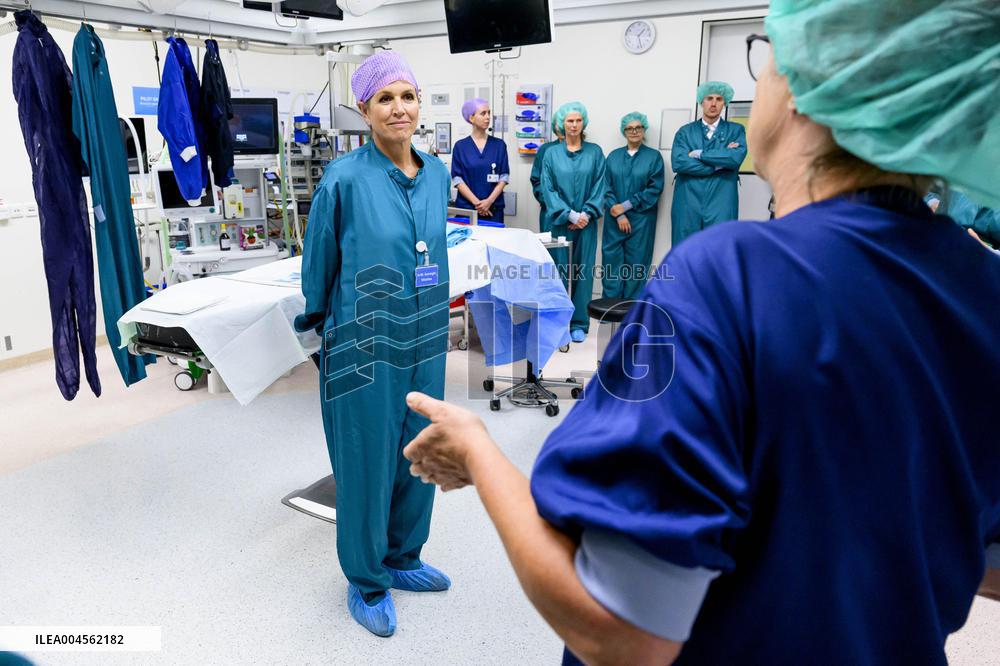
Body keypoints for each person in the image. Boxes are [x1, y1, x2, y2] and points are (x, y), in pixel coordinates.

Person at [401, 1, 1000, 663]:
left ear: (807, 85)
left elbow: (620, 634)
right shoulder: (984, 289)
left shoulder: (730, 279)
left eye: (767, 56)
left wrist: (479, 455)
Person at [296, 51, 452, 638]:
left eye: (408, 96)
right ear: (364, 109)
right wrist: (318, 323)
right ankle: (365, 579)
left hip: (426, 334)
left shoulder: (436, 174)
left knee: (421, 448)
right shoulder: (344, 178)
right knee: (365, 458)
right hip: (363, 339)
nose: (399, 108)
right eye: (385, 98)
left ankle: (403, 556)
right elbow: (320, 265)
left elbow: (434, 254)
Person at [540, 102, 607, 343]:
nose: (574, 125)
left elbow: (601, 184)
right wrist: (569, 214)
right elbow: (547, 188)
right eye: (570, 120)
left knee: (582, 271)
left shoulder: (595, 152)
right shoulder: (551, 154)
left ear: (584, 123)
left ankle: (579, 323)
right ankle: (558, 323)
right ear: (562, 123)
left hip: (586, 225)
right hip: (560, 223)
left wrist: (586, 214)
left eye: (578, 120)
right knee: (558, 272)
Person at [670, 81, 747, 246]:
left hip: (722, 198)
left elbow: (735, 158)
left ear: (724, 103)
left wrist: (699, 154)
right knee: (685, 247)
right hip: (688, 199)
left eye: (719, 99)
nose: (713, 103)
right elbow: (679, 162)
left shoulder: (736, 130)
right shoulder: (685, 132)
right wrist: (719, 164)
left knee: (719, 245)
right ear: (701, 102)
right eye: (709, 98)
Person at [603, 112, 665, 299]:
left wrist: (627, 205)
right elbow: (605, 187)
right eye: (629, 128)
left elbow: (654, 189)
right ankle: (609, 310)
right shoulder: (613, 157)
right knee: (611, 264)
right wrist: (619, 213)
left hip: (641, 220)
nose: (634, 131)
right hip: (614, 220)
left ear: (643, 130)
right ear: (624, 131)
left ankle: (631, 314)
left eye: (638, 127)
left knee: (637, 266)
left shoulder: (654, 158)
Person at [451, 98, 510, 226]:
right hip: (467, 210)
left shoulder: (499, 145)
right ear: (471, 118)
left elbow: (504, 177)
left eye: (489, 113)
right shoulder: (460, 147)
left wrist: (489, 202)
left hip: (493, 210)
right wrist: (478, 204)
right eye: (483, 113)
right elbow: (457, 179)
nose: (488, 117)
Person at [530, 117, 563, 233]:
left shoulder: (587, 152)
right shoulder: (546, 150)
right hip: (551, 211)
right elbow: (537, 180)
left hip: (578, 215)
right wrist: (552, 202)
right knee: (550, 249)